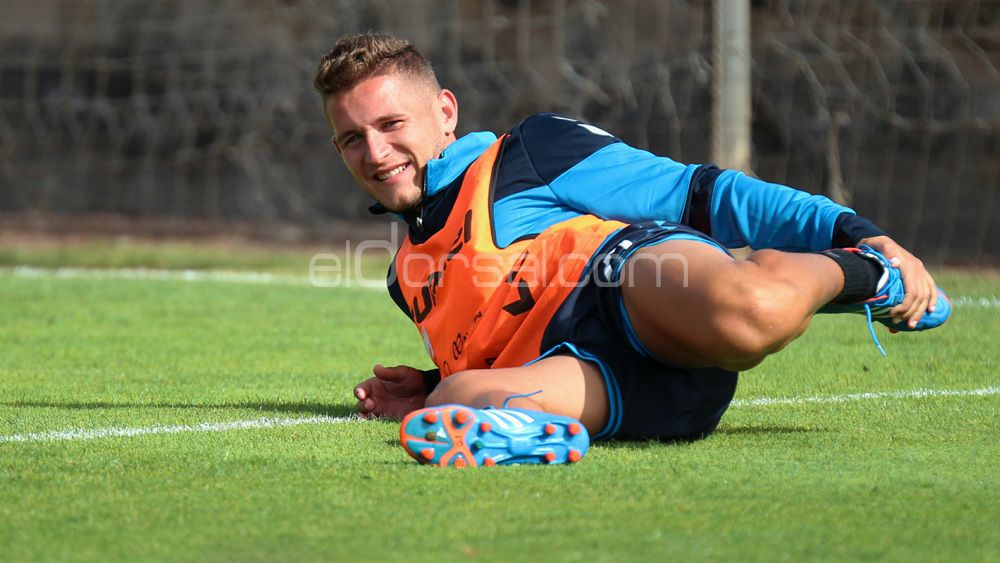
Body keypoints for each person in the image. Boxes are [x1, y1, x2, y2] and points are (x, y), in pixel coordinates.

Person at [313, 32, 951, 467]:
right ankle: (535, 443)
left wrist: (855, 230)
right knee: (457, 402)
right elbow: (497, 343)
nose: (374, 153)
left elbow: (698, 192)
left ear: (444, 112)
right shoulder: (407, 276)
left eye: (391, 124)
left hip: (629, 286)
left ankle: (866, 274)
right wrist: (428, 386)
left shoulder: (528, 153)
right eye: (350, 140)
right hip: (627, 387)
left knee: (751, 314)